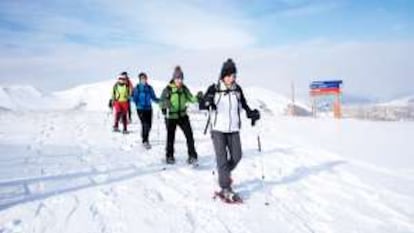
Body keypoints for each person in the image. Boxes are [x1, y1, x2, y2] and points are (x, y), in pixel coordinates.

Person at [201, 58, 260, 202]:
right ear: (224, 76)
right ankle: (225, 187)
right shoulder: (214, 89)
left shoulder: (237, 89)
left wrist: (251, 113)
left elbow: (244, 105)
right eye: (230, 75)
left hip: (233, 129)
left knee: (237, 156)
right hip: (218, 130)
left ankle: (224, 174)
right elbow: (202, 103)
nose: (233, 78)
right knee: (222, 159)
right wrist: (207, 101)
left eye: (234, 75)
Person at [159, 66, 202, 165]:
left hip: (183, 115)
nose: (179, 80)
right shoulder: (168, 89)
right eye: (178, 78)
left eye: (181, 78)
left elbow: (191, 98)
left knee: (189, 135)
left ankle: (192, 156)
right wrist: (165, 104)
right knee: (171, 137)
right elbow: (161, 102)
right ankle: (169, 156)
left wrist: (198, 97)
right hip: (171, 117)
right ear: (174, 79)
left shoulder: (184, 89)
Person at [132, 72, 159, 149]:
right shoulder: (137, 88)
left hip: (149, 109)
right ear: (140, 80)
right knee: (145, 124)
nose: (143, 80)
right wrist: (135, 101)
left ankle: (144, 135)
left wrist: (161, 101)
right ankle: (145, 140)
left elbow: (153, 98)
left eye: (144, 78)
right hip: (140, 109)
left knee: (149, 125)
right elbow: (133, 97)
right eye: (142, 79)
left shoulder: (149, 88)